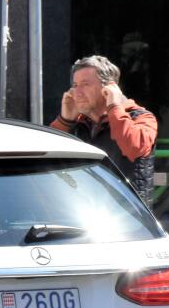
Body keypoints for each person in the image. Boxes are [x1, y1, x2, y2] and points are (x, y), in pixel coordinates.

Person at [49, 55, 157, 205]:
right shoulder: (78, 121)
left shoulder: (141, 117)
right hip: (82, 213)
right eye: (75, 85)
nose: (77, 92)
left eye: (85, 84)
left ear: (109, 88)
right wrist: (64, 121)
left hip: (130, 217)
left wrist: (114, 106)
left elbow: (134, 148)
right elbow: (47, 160)